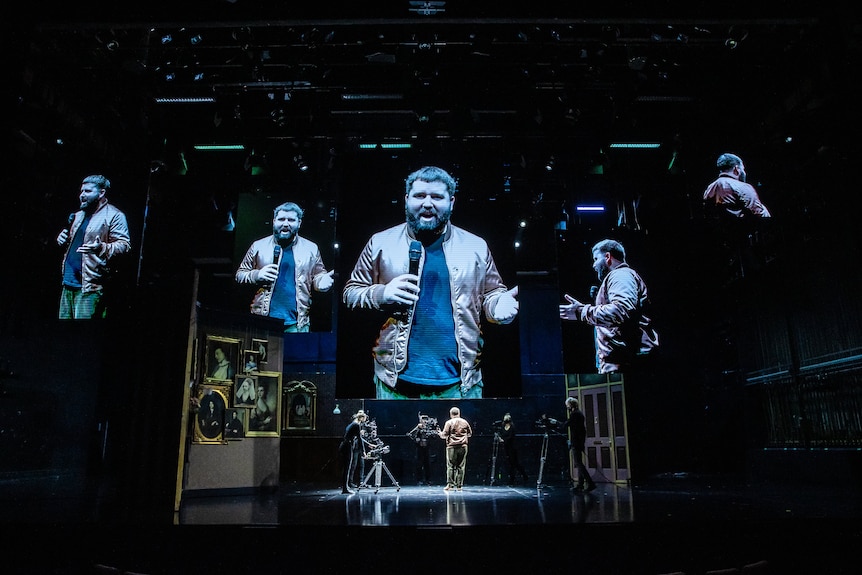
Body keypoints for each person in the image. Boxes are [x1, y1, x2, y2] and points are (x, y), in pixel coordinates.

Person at [342, 166, 520, 399]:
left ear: (452, 202)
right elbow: (350, 292)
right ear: (406, 200)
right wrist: (381, 294)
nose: (427, 203)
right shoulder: (380, 243)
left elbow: (491, 294)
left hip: (461, 385)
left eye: (437, 197)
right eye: (419, 196)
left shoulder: (476, 246)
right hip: (393, 383)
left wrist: (497, 307)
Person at [559, 239, 659, 374]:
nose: (594, 265)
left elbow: (621, 310)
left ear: (607, 256)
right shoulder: (620, 276)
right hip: (624, 364)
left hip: (628, 366)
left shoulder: (621, 275)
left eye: (595, 259)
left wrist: (581, 312)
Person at [235, 201, 335, 332]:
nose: (286, 223)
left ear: (299, 223)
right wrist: (256, 275)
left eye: (291, 220)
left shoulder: (311, 248)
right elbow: (239, 274)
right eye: (281, 219)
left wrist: (321, 282)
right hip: (262, 321)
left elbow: (318, 275)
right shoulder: (258, 246)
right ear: (274, 221)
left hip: (297, 324)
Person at [56, 174, 131, 319]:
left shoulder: (114, 215)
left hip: (90, 288)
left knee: (83, 334)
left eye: (88, 191)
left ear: (101, 193)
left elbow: (124, 245)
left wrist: (101, 247)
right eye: (81, 191)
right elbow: (75, 244)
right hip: (67, 283)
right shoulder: (78, 215)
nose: (82, 195)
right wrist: (62, 240)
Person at [545, 397, 596, 492]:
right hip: (578, 441)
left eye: (567, 405)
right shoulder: (577, 413)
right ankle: (580, 484)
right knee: (579, 462)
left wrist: (555, 422)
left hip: (577, 442)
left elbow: (565, 425)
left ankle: (590, 483)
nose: (567, 407)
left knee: (579, 464)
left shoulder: (575, 414)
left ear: (570, 405)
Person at [703, 153, 771, 219]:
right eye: (743, 169)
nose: (744, 172)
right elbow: (759, 214)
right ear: (736, 169)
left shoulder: (709, 189)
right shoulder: (743, 187)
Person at [438, 406, 472, 491]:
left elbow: (444, 435)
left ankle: (450, 485)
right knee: (461, 466)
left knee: (451, 466)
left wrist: (440, 433)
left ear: (450, 414)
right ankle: (459, 486)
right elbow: (470, 434)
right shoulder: (465, 422)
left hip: (452, 447)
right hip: (463, 446)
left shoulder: (449, 422)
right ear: (459, 413)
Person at [338, 410, 368, 494]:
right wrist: (363, 452)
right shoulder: (356, 425)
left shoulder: (351, 424)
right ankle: (345, 488)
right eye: (364, 419)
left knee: (347, 467)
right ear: (361, 418)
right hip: (348, 446)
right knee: (347, 467)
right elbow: (359, 438)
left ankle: (345, 487)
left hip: (345, 445)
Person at [497, 413, 529, 486]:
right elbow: (502, 434)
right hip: (505, 447)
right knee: (509, 463)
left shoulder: (512, 427)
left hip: (512, 447)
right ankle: (512, 477)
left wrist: (504, 440)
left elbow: (511, 437)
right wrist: (500, 439)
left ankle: (521, 476)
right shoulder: (503, 426)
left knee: (514, 463)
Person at [406, 413, 438, 485]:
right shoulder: (418, 427)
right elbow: (411, 435)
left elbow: (434, 436)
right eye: (423, 419)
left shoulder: (429, 428)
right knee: (419, 464)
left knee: (428, 464)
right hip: (419, 448)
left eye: (425, 419)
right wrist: (417, 429)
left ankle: (428, 479)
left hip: (427, 448)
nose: (424, 421)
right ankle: (419, 479)